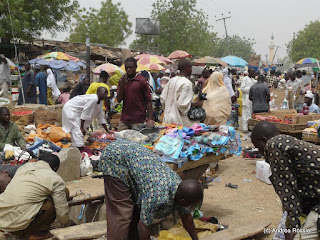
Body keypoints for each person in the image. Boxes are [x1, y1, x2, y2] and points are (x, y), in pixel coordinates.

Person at [98, 139, 203, 240]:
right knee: (122, 213)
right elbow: (143, 226)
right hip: (115, 158)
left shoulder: (180, 190)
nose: (189, 208)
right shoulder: (156, 196)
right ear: (183, 201)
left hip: (131, 157)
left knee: (136, 210)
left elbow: (186, 217)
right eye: (189, 205)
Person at [251, 121, 320, 240]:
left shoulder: (273, 145)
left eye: (258, 147)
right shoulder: (288, 142)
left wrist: (294, 226)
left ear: (264, 140)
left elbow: (287, 189)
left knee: (300, 237)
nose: (261, 152)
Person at [0, 153, 70, 239]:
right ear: (55, 169)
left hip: (2, 217)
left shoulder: (24, 168)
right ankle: (37, 233)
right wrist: (68, 224)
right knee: (53, 201)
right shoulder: (55, 178)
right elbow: (63, 217)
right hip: (18, 225)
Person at [117, 57, 154, 130]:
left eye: (131, 67)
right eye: (126, 67)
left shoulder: (141, 81)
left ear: (135, 67)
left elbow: (148, 100)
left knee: (136, 140)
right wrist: (122, 85)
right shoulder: (122, 80)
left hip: (138, 120)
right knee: (120, 139)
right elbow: (118, 99)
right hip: (125, 119)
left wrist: (150, 119)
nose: (128, 70)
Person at [161, 59, 196, 126]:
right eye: (191, 68)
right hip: (178, 121)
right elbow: (182, 104)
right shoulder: (187, 83)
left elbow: (163, 99)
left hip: (167, 119)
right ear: (187, 68)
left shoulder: (171, 80)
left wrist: (167, 109)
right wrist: (194, 105)